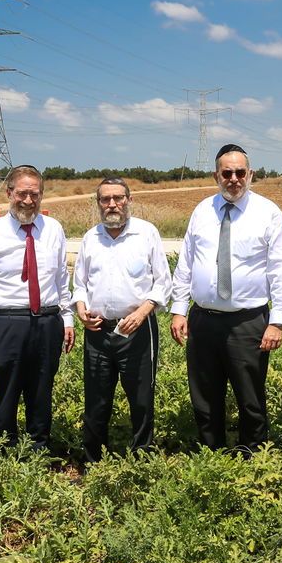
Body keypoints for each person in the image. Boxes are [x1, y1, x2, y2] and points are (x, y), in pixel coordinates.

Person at [170, 144, 282, 453]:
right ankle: (211, 454)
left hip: (248, 321)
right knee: (204, 394)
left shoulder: (267, 213)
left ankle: (252, 455)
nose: (234, 179)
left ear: (251, 174)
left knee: (249, 396)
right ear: (217, 175)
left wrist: (277, 321)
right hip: (204, 319)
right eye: (227, 173)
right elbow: (186, 263)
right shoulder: (202, 211)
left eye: (241, 172)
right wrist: (178, 309)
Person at [0, 165, 74, 454]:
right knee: (5, 390)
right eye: (22, 194)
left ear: (41, 195)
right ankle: (2, 450)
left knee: (41, 390)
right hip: (6, 323)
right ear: (8, 192)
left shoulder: (54, 230)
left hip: (47, 321)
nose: (28, 201)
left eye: (34, 194)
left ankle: (39, 449)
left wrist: (67, 318)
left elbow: (62, 278)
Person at [72, 177, 172, 466]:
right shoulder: (91, 238)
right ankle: (93, 464)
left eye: (118, 198)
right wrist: (81, 309)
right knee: (96, 401)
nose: (112, 204)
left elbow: (162, 282)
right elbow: (79, 284)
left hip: (138, 331)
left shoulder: (146, 233)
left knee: (141, 400)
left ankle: (141, 462)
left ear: (129, 200)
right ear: (98, 203)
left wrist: (142, 312)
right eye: (105, 199)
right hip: (98, 331)